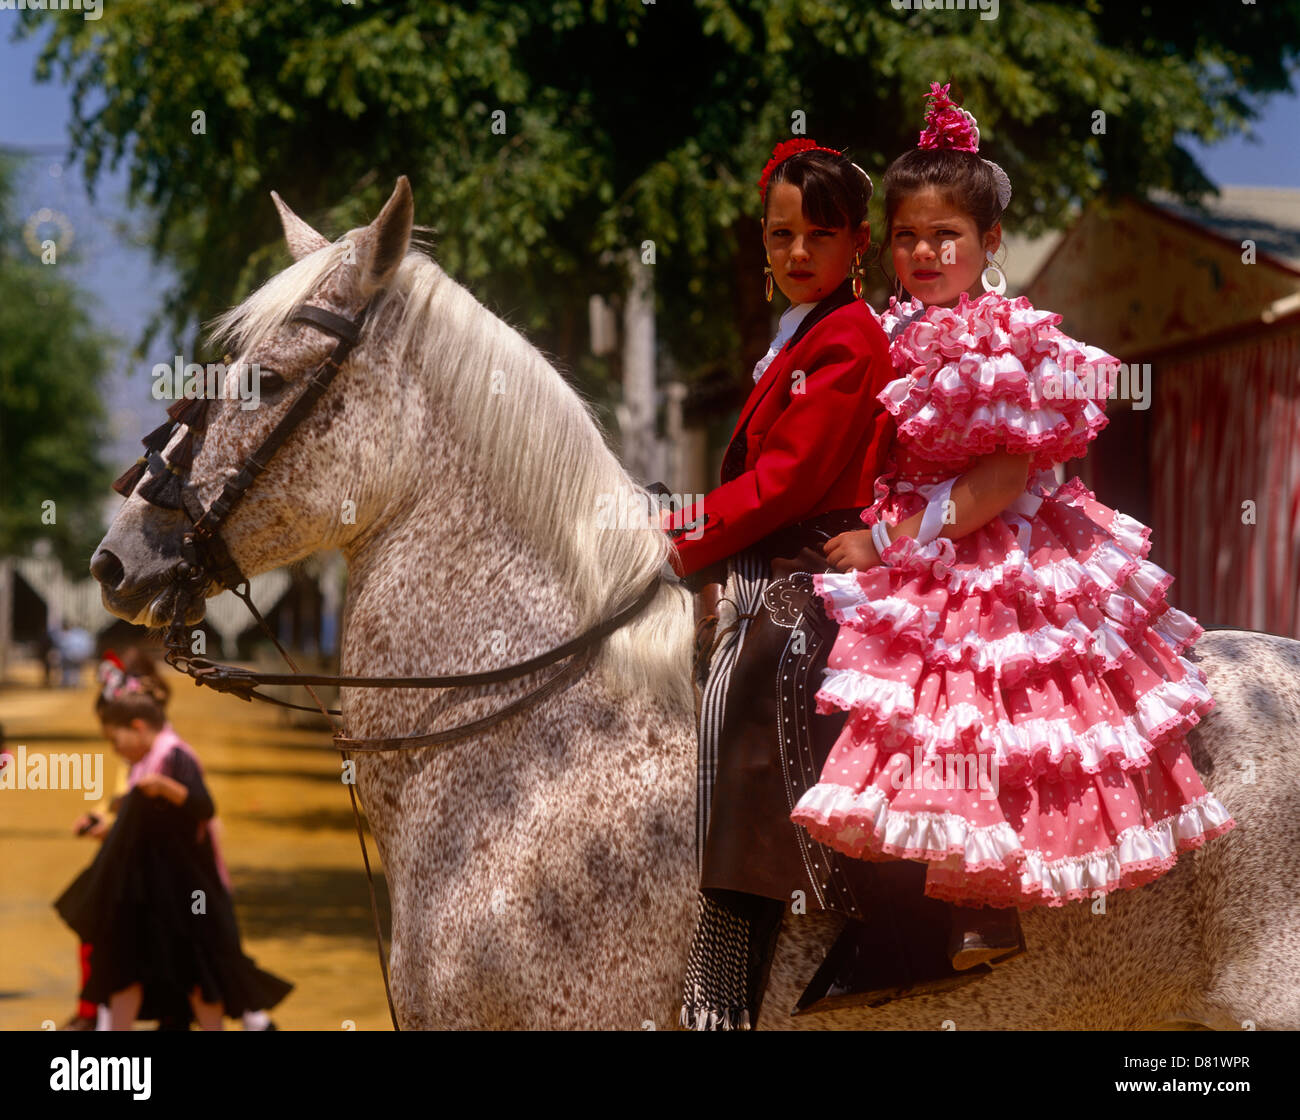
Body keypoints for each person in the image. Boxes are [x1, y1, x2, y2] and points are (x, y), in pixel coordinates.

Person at [789, 84, 1235, 964]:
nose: (924, 252)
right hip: (908, 524)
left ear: (989, 243)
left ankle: (981, 906)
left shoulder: (1007, 341)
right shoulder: (888, 329)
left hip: (984, 540)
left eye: (945, 236)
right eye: (909, 236)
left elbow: (997, 482)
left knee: (975, 694)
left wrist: (888, 542)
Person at [665, 136, 952, 1030]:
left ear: (856, 244)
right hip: (774, 550)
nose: (797, 254)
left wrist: (680, 537)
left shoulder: (847, 340)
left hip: (813, 563)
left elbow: (786, 480)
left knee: (751, 683)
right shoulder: (797, 332)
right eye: (781, 234)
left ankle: (728, 975)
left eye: (818, 236)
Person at [54, 654, 292, 1030]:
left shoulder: (172, 756)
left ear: (137, 727)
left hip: (187, 892)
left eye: (117, 742)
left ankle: (256, 1021)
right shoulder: (150, 758)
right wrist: (105, 822)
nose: (117, 751)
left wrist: (162, 789)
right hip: (157, 894)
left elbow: (203, 806)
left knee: (203, 971)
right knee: (136, 973)